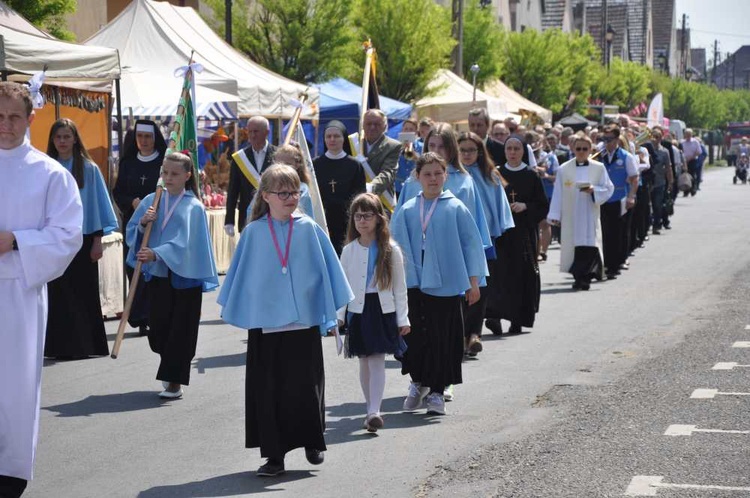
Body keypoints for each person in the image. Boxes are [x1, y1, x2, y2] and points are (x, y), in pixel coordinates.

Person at [217, 164, 353, 477]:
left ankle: (312, 440)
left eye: (294, 191)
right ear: (265, 196)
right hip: (266, 326)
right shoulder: (253, 233)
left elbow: (327, 275)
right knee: (269, 391)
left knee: (306, 387)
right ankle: (274, 456)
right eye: (283, 192)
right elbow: (242, 279)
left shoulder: (308, 228)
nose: (290, 197)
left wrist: (332, 314)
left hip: (302, 322)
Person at [0, 82, 83, 498]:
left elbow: (68, 235)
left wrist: (15, 240)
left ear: (31, 118)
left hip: (18, 293)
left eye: (14, 116)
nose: (6, 125)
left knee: (13, 388)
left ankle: (10, 476)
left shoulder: (50, 173)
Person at [391, 153, 487, 416]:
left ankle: (437, 391)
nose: (433, 179)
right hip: (414, 283)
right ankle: (417, 381)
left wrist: (473, 282)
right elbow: (395, 247)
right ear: (417, 177)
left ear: (445, 175)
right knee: (416, 337)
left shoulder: (455, 207)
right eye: (427, 174)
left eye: (438, 173)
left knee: (442, 337)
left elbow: (471, 245)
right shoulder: (409, 208)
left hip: (445, 284)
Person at [126, 152, 218, 398]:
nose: (168, 178)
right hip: (157, 276)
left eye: (175, 174)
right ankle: (169, 363)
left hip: (185, 277)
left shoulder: (193, 206)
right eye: (165, 172)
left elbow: (186, 242)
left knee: (181, 329)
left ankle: (175, 379)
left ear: (187, 176)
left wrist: (157, 253)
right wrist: (143, 224)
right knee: (158, 330)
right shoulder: (151, 200)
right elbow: (132, 230)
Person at [44, 118, 118, 359]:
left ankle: (87, 346)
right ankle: (58, 346)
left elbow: (97, 205)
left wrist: (98, 241)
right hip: (54, 239)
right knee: (58, 293)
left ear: (75, 138)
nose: (63, 141)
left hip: (83, 239)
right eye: (58, 137)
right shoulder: (47, 168)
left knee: (83, 292)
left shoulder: (88, 168)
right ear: (52, 141)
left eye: (67, 136)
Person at [337, 193, 409, 432]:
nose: (362, 221)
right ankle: (370, 408)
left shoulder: (391, 250)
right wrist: (338, 317)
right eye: (357, 216)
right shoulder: (349, 250)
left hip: (382, 310)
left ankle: (374, 411)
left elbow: (400, 288)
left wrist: (403, 318)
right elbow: (343, 286)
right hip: (358, 310)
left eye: (367, 216)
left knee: (377, 359)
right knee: (364, 361)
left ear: (379, 219)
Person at [457, 132, 514, 356]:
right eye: (463, 150)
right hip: (459, 240)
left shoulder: (490, 174)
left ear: (480, 152)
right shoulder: (451, 174)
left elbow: (498, 205)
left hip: (485, 240)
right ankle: (461, 334)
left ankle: (474, 334)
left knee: (481, 286)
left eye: (472, 150)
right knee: (461, 287)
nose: (467, 154)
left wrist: (497, 230)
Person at [396, 123, 492, 254]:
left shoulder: (464, 182)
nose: (436, 151)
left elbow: (470, 231)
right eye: (432, 145)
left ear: (451, 148)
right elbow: (399, 225)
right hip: (417, 254)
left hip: (453, 253)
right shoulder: (413, 181)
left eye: (442, 146)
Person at [485, 136, 548, 336]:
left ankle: (517, 319)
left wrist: (526, 206)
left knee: (521, 275)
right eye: (509, 148)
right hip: (502, 234)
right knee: (498, 275)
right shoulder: (497, 174)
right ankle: (494, 316)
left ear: (523, 152)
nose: (512, 152)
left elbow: (542, 205)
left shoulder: (531, 175)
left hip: (523, 235)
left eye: (516, 148)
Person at [113, 119, 167, 335]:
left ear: (155, 139)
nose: (144, 141)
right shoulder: (128, 163)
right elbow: (118, 192)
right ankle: (140, 316)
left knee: (152, 268)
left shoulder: (163, 163)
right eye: (140, 137)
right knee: (134, 266)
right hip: (134, 224)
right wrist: (132, 202)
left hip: (158, 222)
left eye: (148, 137)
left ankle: (153, 314)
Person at [547, 135, 614, 290]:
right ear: (573, 149)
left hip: (590, 213)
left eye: (585, 149)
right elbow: (558, 192)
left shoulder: (598, 167)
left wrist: (593, 190)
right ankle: (578, 277)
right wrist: (555, 215)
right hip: (572, 215)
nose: (582, 152)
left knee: (590, 244)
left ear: (590, 149)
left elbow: (608, 188)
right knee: (574, 246)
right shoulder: (564, 169)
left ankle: (587, 278)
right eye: (578, 149)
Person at [313, 120, 366, 253]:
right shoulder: (315, 165)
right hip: (323, 220)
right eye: (328, 136)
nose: (332, 139)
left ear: (344, 138)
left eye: (336, 136)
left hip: (348, 222)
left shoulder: (355, 165)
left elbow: (360, 196)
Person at [599, 124, 638, 280]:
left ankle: (614, 265)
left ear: (616, 139)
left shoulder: (626, 157)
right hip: (602, 199)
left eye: (609, 139)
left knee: (617, 233)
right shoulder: (599, 155)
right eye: (604, 139)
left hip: (619, 198)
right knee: (604, 233)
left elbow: (635, 179)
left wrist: (631, 197)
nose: (606, 142)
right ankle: (605, 264)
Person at [224, 116, 276, 235]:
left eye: (256, 131)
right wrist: (229, 220)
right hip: (247, 218)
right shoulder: (239, 158)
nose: (252, 135)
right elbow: (233, 190)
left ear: (267, 132)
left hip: (272, 216)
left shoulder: (277, 155)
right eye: (250, 131)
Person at [361, 109, 402, 197]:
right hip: (356, 198)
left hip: (381, 199)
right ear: (363, 125)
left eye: (377, 124)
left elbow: (388, 173)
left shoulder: (393, 146)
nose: (372, 127)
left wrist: (370, 188)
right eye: (369, 124)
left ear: (384, 126)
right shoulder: (355, 144)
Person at [643, 127, 673, 235]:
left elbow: (668, 168)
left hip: (659, 182)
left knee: (657, 205)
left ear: (661, 138)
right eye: (653, 137)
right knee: (647, 206)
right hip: (647, 182)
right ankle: (646, 227)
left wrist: (670, 182)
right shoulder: (645, 150)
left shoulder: (665, 152)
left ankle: (656, 225)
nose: (655, 139)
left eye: (658, 137)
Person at [395, 118, 422, 195]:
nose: (407, 131)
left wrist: (415, 155)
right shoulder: (396, 146)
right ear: (402, 130)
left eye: (411, 129)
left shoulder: (421, 147)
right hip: (398, 186)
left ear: (416, 132)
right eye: (406, 128)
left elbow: (424, 164)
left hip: (414, 186)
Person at [681, 128, 701, 196]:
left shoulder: (695, 142)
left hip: (693, 160)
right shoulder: (682, 142)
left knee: (692, 175)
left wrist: (691, 157)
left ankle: (693, 189)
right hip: (684, 161)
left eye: (689, 134)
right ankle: (686, 190)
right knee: (685, 175)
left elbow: (699, 151)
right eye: (687, 134)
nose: (688, 136)